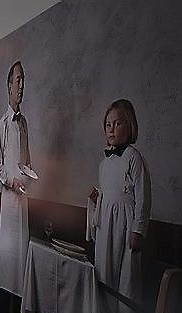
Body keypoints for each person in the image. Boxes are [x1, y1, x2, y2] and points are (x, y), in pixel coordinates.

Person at [88, 99, 151, 313]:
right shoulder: (104, 164)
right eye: (108, 124)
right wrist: (97, 199)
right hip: (106, 226)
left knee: (125, 278)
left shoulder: (134, 158)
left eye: (118, 123)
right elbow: (108, 196)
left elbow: (143, 196)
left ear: (130, 125)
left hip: (125, 226)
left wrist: (138, 230)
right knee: (104, 272)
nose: (112, 129)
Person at [0, 61, 32, 311]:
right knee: (8, 261)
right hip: (9, 202)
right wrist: (12, 180)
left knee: (22, 260)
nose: (21, 85)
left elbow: (27, 159)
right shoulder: (3, 124)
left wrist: (28, 173)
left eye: (23, 80)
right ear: (8, 86)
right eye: (17, 80)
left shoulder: (24, 122)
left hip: (24, 200)